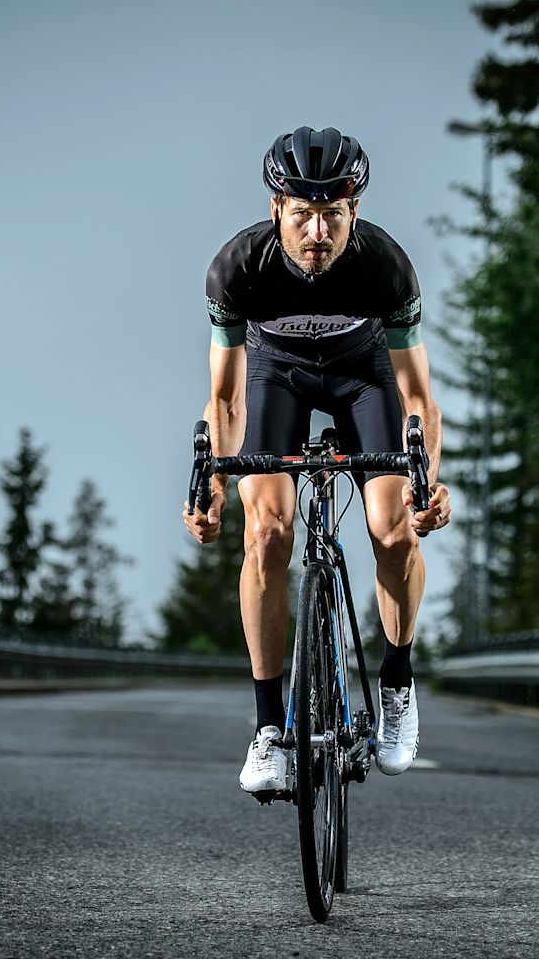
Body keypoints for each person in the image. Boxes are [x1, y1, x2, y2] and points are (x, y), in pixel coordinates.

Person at [182, 126, 451, 795]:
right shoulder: (236, 269)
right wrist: (213, 486)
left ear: (355, 209)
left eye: (333, 213)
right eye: (303, 212)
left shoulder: (386, 267)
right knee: (268, 533)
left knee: (393, 529)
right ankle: (268, 729)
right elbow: (226, 399)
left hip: (364, 378)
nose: (318, 231)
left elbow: (418, 396)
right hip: (276, 377)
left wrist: (427, 484)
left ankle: (397, 681)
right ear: (277, 207)